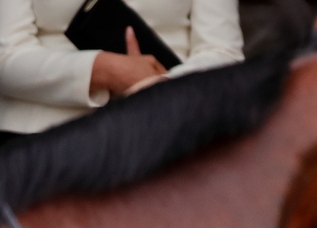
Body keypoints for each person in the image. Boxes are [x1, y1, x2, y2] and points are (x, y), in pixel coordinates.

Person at [0, 0, 244, 146]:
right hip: (43, 139)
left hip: (166, 129)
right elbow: (6, 54)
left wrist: (162, 86)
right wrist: (104, 70)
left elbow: (223, 52)